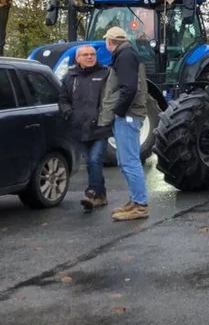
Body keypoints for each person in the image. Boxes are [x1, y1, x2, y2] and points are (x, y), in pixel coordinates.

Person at [99, 27, 150, 221]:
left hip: (128, 115)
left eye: (106, 41)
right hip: (129, 114)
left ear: (110, 42)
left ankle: (141, 205)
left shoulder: (125, 56)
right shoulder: (126, 54)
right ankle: (135, 200)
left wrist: (118, 112)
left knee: (130, 162)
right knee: (125, 161)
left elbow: (129, 88)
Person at [58, 45, 112, 210]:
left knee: (95, 160)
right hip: (78, 128)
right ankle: (101, 194)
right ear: (78, 58)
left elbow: (110, 97)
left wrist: (103, 117)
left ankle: (91, 192)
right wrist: (68, 113)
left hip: (99, 128)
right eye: (86, 55)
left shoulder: (105, 74)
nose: (90, 57)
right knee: (90, 162)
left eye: (92, 54)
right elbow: (63, 99)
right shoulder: (70, 77)